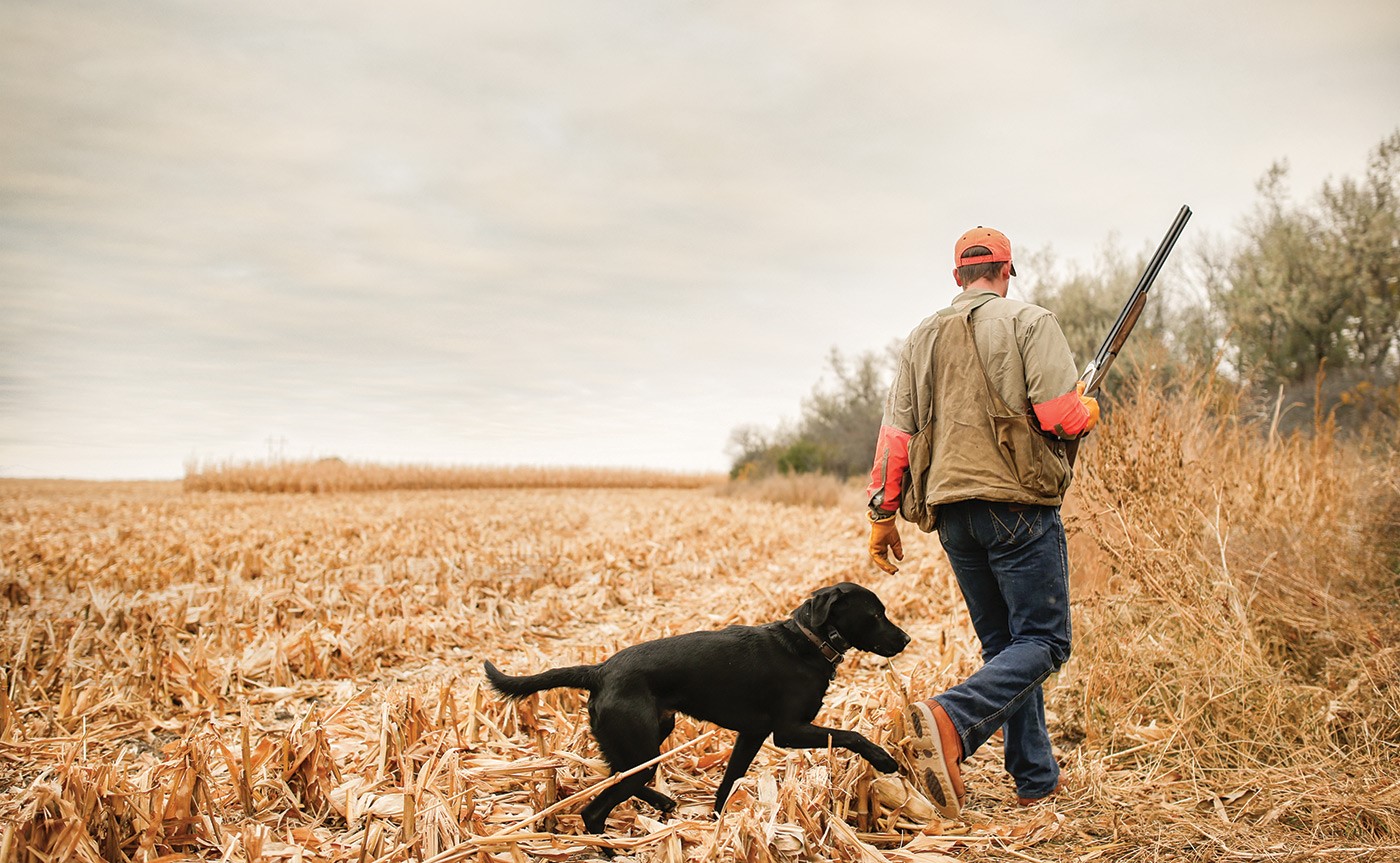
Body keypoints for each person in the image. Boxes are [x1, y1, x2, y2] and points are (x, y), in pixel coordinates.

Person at [863, 226, 1098, 817]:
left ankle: (1035, 778)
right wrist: (1088, 407)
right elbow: (1059, 415)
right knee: (1044, 642)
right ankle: (952, 720)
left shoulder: (921, 336)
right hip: (1016, 506)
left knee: (1005, 649)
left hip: (952, 518)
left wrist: (882, 516)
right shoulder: (1029, 322)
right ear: (1007, 271)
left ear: (957, 277)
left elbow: (897, 437)